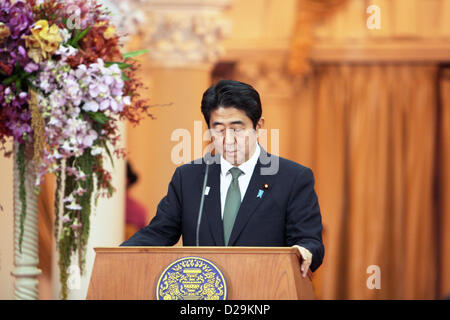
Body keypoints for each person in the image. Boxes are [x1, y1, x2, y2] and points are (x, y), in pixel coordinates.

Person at [121, 80, 325, 276]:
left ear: (258, 126)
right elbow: (159, 233)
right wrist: (117, 256)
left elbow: (309, 242)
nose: (228, 140)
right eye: (218, 130)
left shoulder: (292, 178)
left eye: (237, 129)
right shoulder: (189, 178)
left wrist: (303, 251)